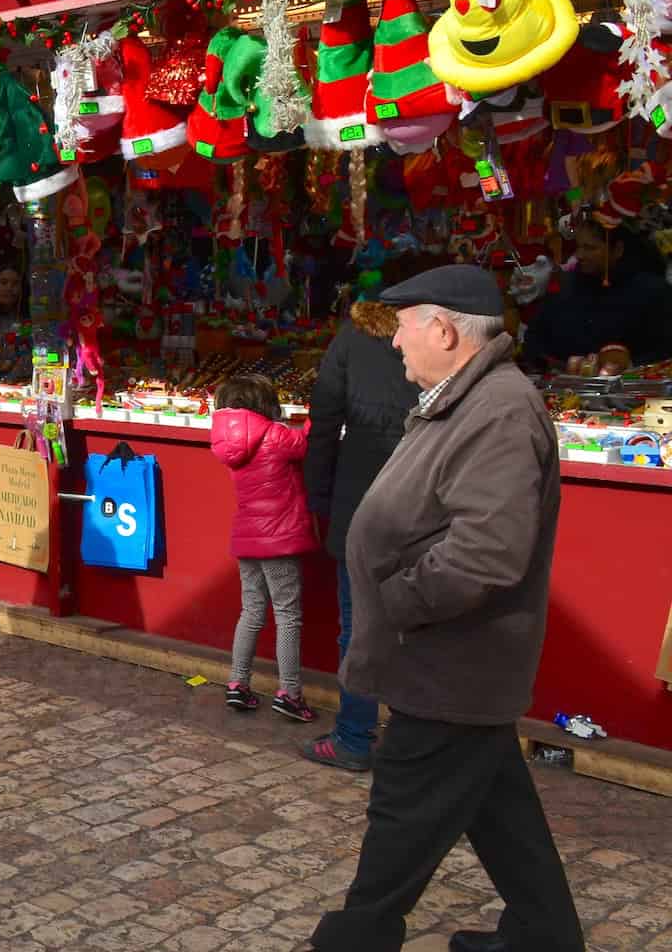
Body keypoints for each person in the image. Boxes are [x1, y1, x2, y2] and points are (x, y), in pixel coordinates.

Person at [312, 265, 583, 952]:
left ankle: (353, 940)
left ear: (443, 329)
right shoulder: (465, 397)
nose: (395, 344)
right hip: (452, 664)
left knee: (398, 827)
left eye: (402, 329)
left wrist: (398, 600)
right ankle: (543, 937)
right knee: (501, 814)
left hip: (449, 664)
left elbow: (485, 553)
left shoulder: (498, 408)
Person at [299, 298, 419, 772]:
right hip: (418, 498)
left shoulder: (351, 338)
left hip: (362, 501)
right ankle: (414, 741)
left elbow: (323, 423)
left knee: (360, 627)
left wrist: (317, 497)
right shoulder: (439, 338)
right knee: (419, 626)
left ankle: (353, 737)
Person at [210, 373, 316, 722]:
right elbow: (307, 443)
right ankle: (290, 692)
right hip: (280, 538)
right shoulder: (276, 435)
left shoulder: (227, 440)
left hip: (247, 536)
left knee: (251, 611)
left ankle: (238, 684)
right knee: (287, 615)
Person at [522, 218, 672, 369]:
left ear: (618, 250)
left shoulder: (652, 291)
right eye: (578, 247)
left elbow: (664, 350)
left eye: (590, 248)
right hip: (564, 386)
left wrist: (627, 366)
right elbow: (534, 339)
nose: (580, 255)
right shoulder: (565, 287)